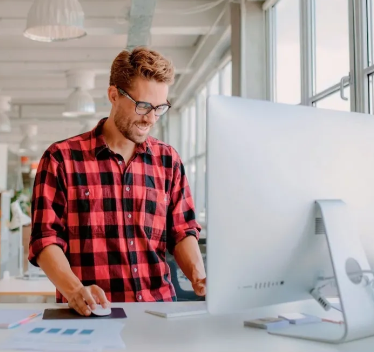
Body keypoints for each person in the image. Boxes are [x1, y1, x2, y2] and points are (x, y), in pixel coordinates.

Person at [29, 47, 206, 316]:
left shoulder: (168, 160)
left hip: (158, 313)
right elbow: (45, 239)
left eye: (160, 108)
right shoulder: (61, 159)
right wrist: (76, 290)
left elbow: (182, 231)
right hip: (92, 315)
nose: (150, 118)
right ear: (114, 95)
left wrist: (199, 277)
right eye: (143, 105)